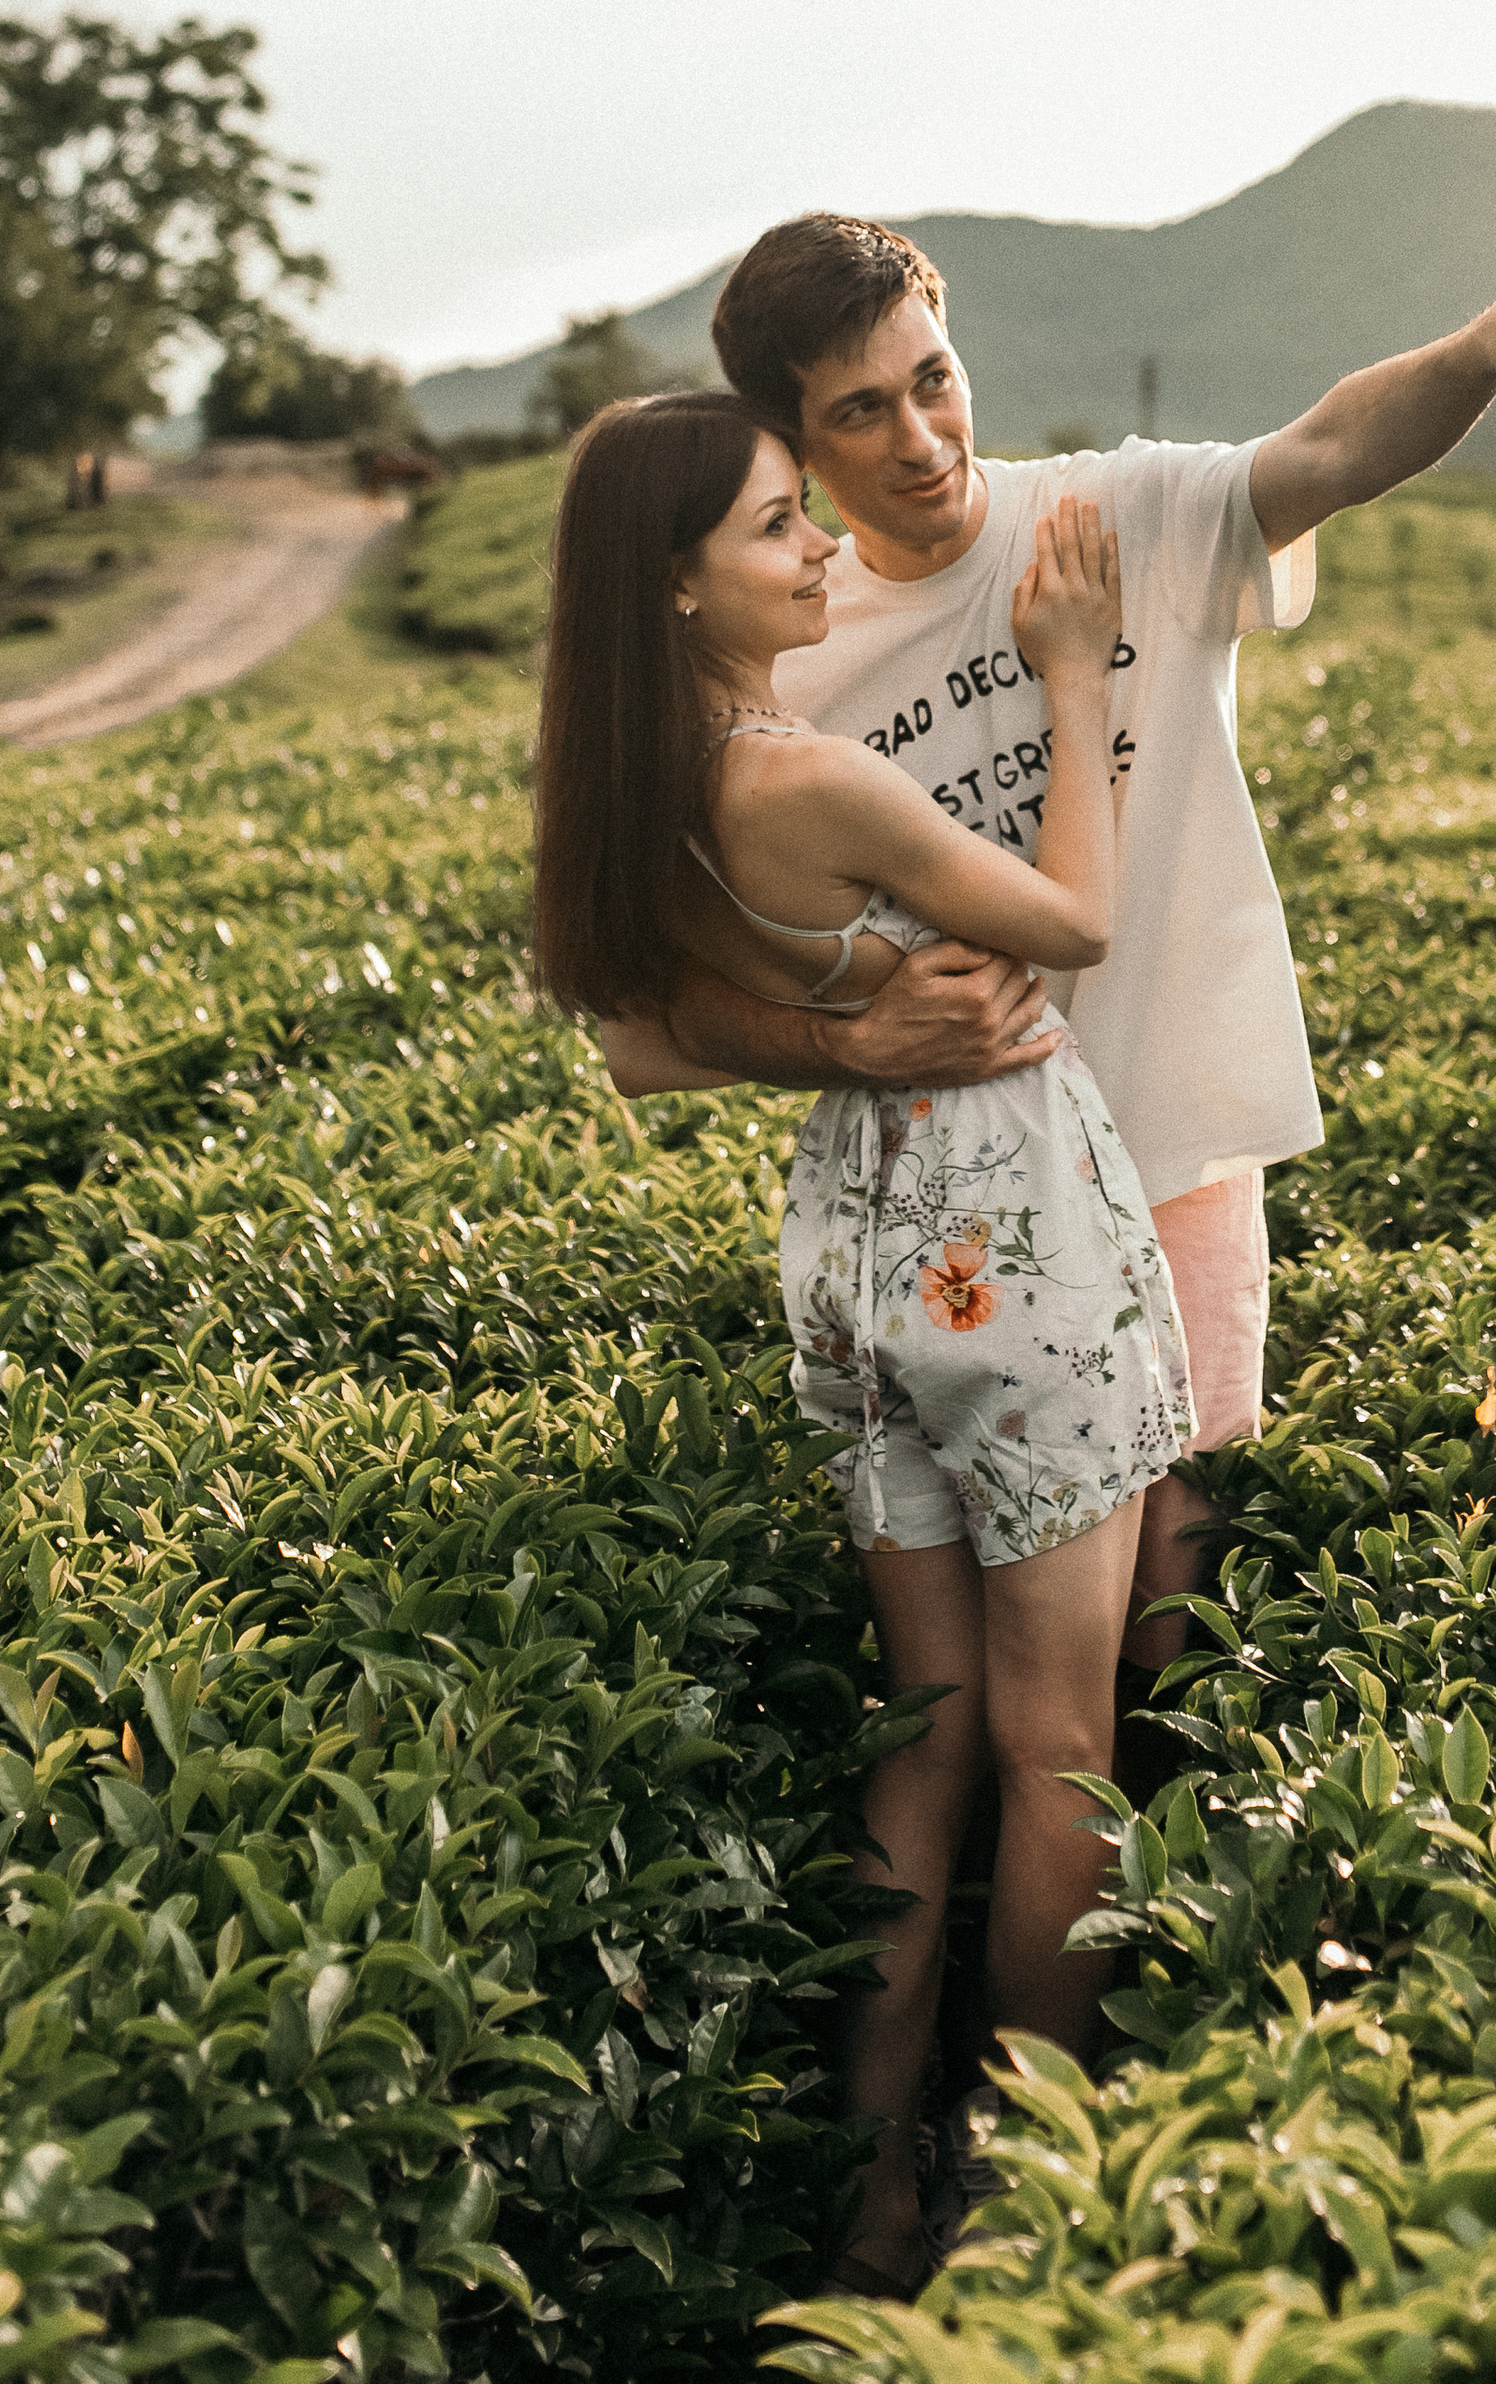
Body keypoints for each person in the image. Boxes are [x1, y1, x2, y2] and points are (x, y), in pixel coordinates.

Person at [599, 209, 1496, 1693]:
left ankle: (1155, 1885)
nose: (920, 435)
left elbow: (1330, 452)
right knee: (1000, 1661)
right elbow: (649, 1014)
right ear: (794, 445)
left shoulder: (1108, 522)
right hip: (980, 1197)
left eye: (934, 378)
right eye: (860, 412)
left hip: (1171, 1143)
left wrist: (1485, 350)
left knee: (1175, 1573)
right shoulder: (792, 648)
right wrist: (843, 1042)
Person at [534, 390, 1188, 2296]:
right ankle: (1018, 2192)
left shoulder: (640, 790)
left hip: (858, 1250)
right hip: (1004, 1239)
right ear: (678, 586)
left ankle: (866, 2183)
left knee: (932, 1734)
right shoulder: (799, 777)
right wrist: (1072, 673)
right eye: (772, 526)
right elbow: (1070, 920)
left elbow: (640, 1041)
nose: (821, 543)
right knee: (1064, 1744)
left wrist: (841, 1034)